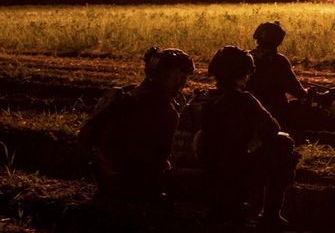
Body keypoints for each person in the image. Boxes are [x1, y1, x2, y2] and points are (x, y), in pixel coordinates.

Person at [189, 46, 299, 228]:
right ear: (244, 74)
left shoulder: (204, 98)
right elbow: (272, 128)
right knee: (284, 144)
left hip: (206, 167)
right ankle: (270, 215)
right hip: (234, 172)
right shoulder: (245, 100)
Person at [79, 47, 194, 203]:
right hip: (137, 185)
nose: (183, 83)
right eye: (182, 77)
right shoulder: (163, 110)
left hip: (105, 180)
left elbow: (86, 135)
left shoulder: (120, 95)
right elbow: (167, 155)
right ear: (173, 75)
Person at [247, 21, 335, 128]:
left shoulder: (246, 57)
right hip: (273, 113)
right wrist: (314, 95)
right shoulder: (279, 61)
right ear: (278, 41)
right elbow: (298, 92)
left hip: (248, 109)